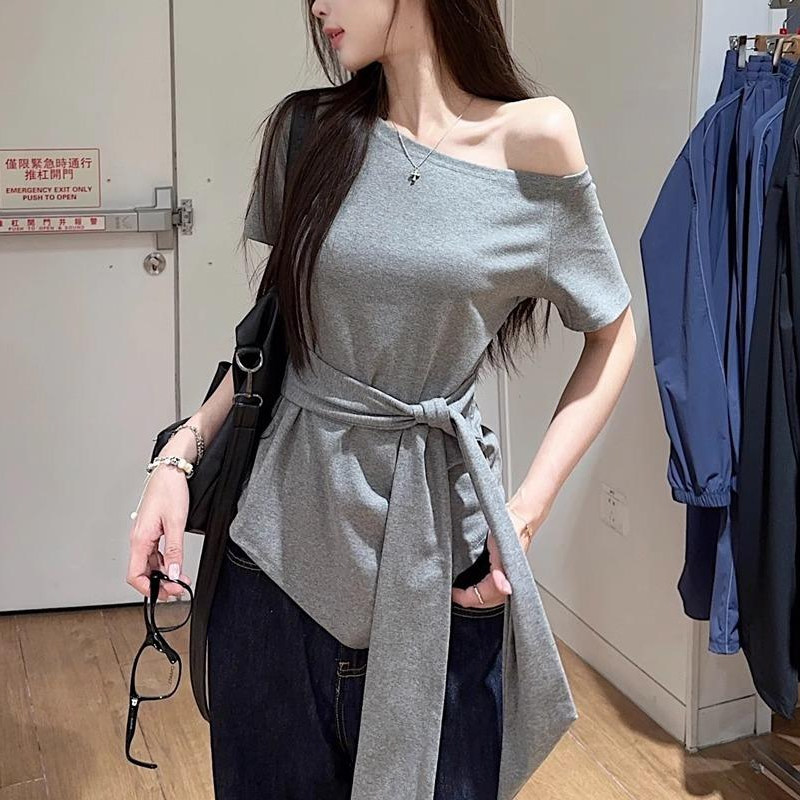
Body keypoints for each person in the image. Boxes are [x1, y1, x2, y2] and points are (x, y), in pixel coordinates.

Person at [126, 1, 636, 798]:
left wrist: (526, 514)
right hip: (274, 569)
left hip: (444, 573)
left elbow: (613, 333)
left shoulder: (534, 139)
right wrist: (177, 458)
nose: (317, 5)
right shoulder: (307, 133)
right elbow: (273, 338)